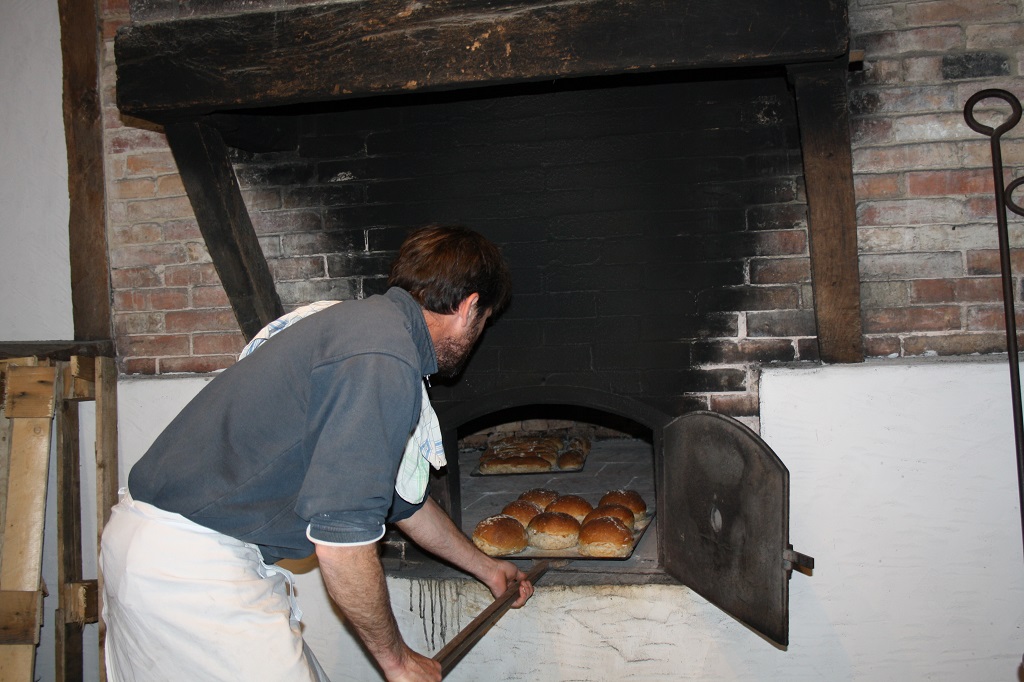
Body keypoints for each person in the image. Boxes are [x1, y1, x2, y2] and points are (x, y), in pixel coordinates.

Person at [99, 225, 533, 682]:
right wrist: (398, 662)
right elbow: (343, 542)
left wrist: (486, 568)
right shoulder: (382, 356)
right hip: (189, 572)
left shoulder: (363, 330)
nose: (478, 337)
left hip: (165, 554)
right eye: (484, 323)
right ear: (468, 308)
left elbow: (403, 501)